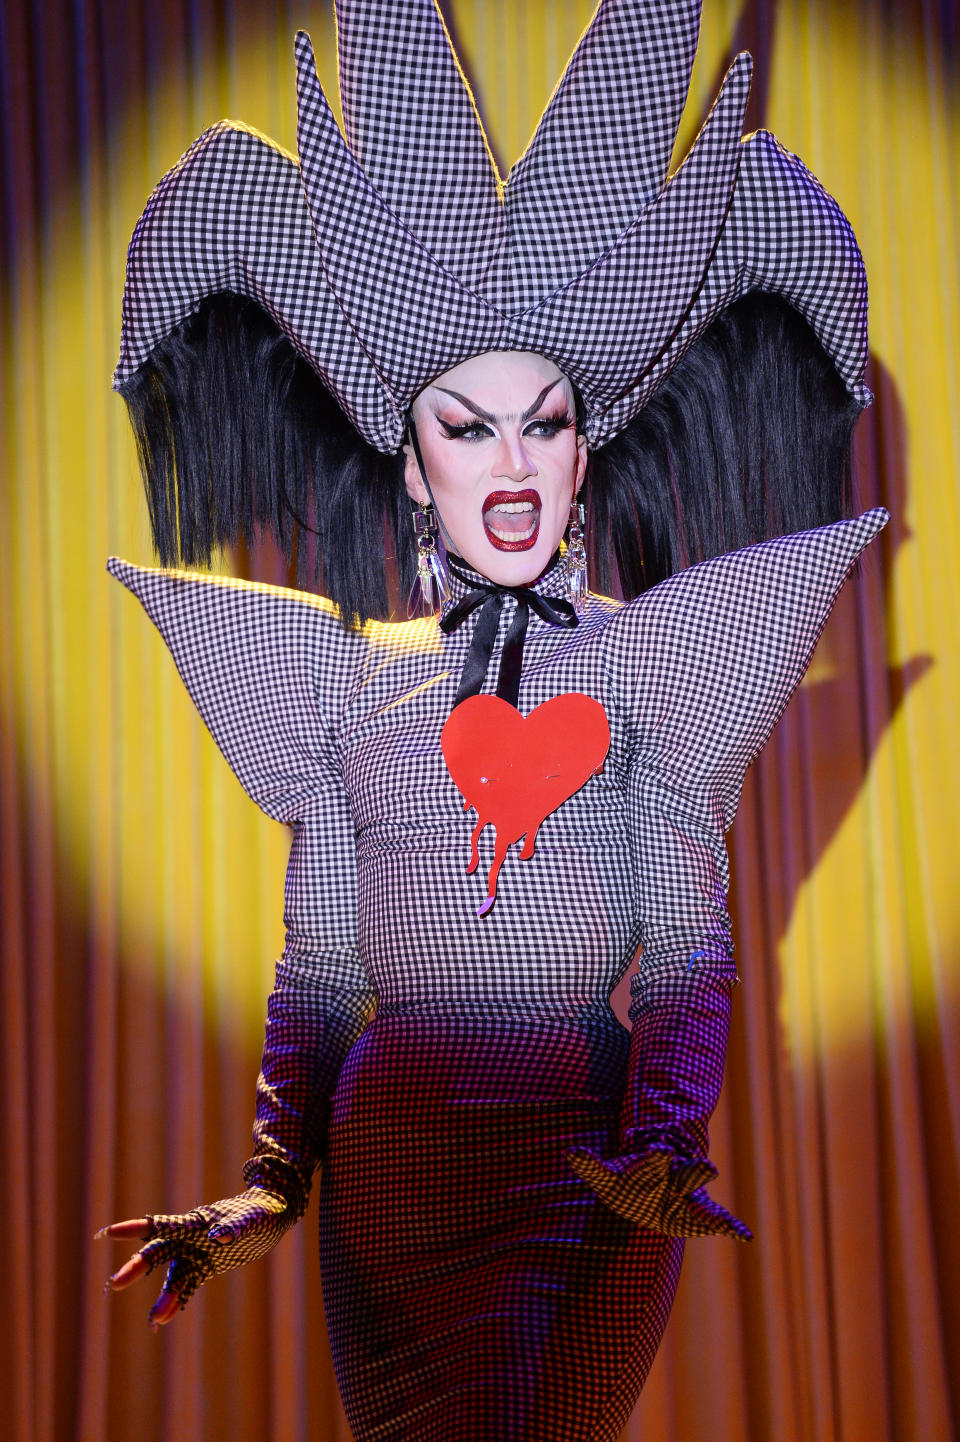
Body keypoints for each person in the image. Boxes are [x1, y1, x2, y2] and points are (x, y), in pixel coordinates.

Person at [97, 4, 887, 1437]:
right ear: (414, 471)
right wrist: (274, 1183)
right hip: (391, 1179)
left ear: (585, 463)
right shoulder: (345, 687)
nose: (513, 464)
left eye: (547, 424)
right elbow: (322, 960)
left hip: (586, 1172)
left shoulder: (648, 675)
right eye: (469, 427)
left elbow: (691, 941)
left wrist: (661, 1137)